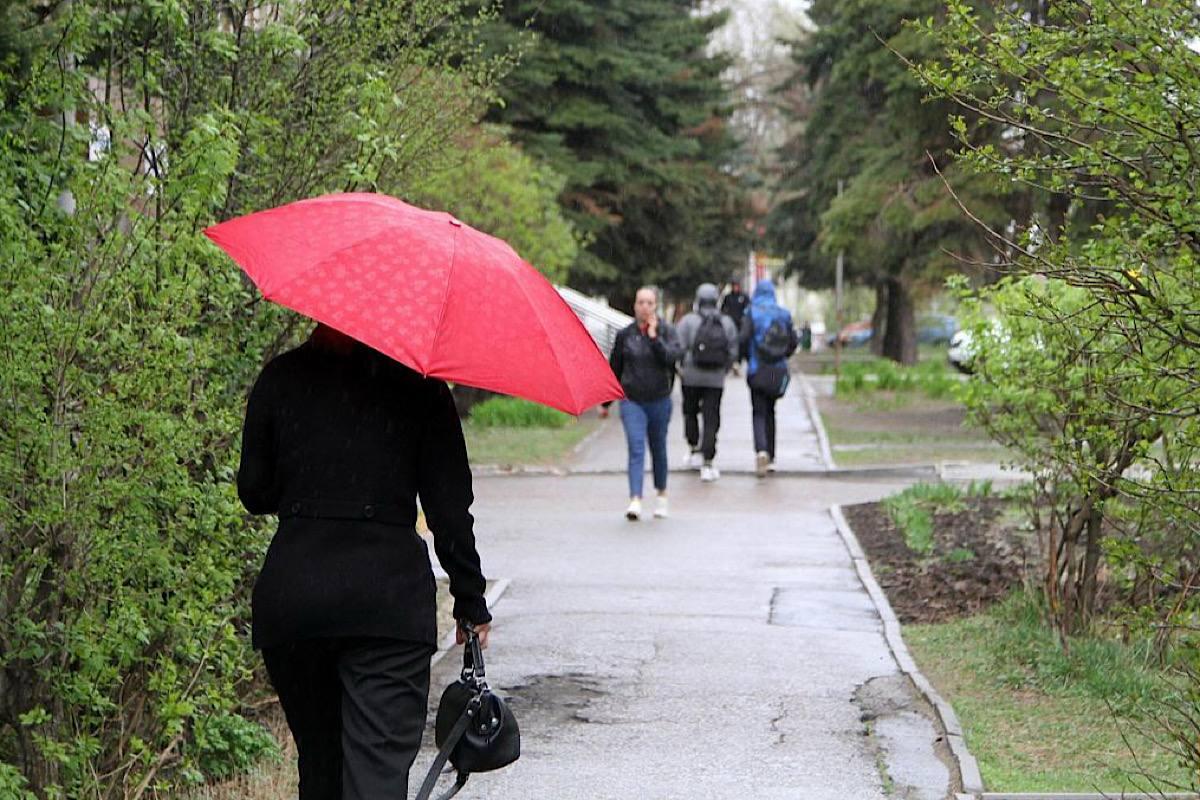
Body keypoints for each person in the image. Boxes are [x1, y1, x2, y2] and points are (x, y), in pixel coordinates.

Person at [237, 323, 492, 800]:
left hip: (297, 600)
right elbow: (449, 509)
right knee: (375, 776)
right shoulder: (419, 388)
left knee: (322, 770)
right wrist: (470, 602)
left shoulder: (281, 378)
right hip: (386, 604)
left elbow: (254, 491)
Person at [600, 287, 684, 520]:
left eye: (649, 303)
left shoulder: (667, 332)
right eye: (640, 302)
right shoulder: (625, 335)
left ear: (655, 306)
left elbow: (672, 358)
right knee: (636, 448)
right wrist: (606, 403)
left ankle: (662, 495)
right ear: (634, 306)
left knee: (658, 448)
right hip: (632, 400)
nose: (644, 307)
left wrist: (655, 338)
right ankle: (635, 498)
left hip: (659, 399)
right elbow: (614, 369)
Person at [675, 283, 739, 482]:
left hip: (691, 377)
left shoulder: (687, 321)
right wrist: (723, 370)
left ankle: (693, 445)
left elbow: (678, 347)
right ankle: (708, 461)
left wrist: (682, 369)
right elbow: (733, 351)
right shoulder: (726, 323)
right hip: (715, 379)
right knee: (711, 418)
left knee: (690, 412)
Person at [742, 279, 799, 478]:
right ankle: (772, 457)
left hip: (757, 368)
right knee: (771, 412)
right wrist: (783, 356)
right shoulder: (783, 314)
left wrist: (746, 358)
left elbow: (743, 338)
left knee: (758, 412)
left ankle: (761, 451)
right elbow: (793, 341)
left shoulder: (751, 312)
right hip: (777, 370)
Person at [720, 281, 750, 371]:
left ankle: (739, 362)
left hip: (741, 324)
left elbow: (748, 309)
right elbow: (723, 309)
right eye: (734, 286)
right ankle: (732, 362)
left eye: (737, 286)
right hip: (730, 324)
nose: (735, 288)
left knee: (741, 343)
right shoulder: (728, 297)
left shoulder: (744, 297)